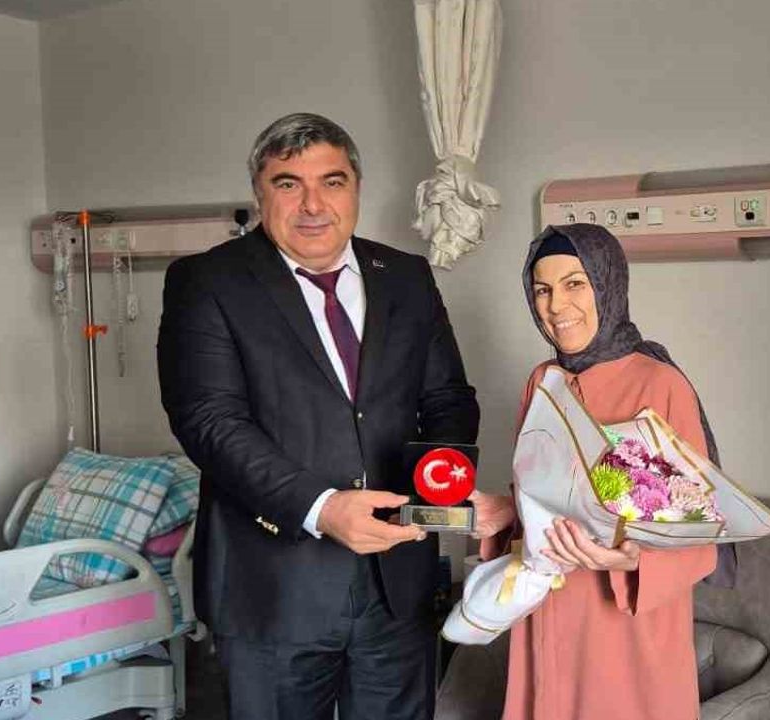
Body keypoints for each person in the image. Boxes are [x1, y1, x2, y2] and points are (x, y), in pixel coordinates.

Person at [157, 112, 479, 720]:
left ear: (356, 187)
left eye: (332, 182)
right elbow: (210, 421)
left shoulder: (406, 277)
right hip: (272, 589)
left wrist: (442, 487)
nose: (313, 205)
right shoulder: (207, 282)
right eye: (288, 184)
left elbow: (447, 399)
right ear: (260, 192)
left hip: (397, 582)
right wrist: (321, 507)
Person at [470, 223, 719, 720]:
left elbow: (699, 535)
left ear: (609, 284)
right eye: (543, 289)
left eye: (574, 284)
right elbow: (541, 497)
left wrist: (629, 559)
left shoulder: (660, 385)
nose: (556, 305)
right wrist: (505, 512)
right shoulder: (543, 381)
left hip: (625, 630)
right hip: (547, 613)